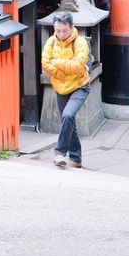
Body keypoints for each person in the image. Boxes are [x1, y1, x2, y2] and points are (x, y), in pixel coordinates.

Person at [41, 11, 90, 168]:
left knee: (68, 115)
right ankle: (76, 159)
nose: (61, 34)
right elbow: (45, 64)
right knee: (69, 121)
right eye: (57, 30)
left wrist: (57, 62)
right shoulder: (50, 41)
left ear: (71, 27)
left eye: (64, 30)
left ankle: (59, 152)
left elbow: (78, 67)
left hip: (79, 86)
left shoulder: (80, 42)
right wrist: (64, 67)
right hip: (60, 88)